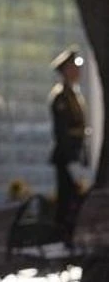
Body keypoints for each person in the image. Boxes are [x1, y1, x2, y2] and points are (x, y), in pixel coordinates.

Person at [48, 45, 89, 230]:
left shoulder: (74, 95)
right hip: (66, 158)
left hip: (76, 156)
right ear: (65, 70)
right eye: (74, 66)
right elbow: (62, 132)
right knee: (66, 202)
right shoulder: (61, 97)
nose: (77, 70)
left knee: (77, 202)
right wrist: (72, 160)